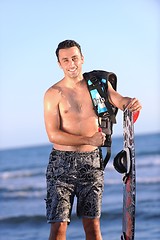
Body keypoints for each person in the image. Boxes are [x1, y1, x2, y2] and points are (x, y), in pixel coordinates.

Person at [44, 39, 142, 240]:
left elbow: (118, 100)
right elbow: (53, 134)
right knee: (59, 227)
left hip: (92, 162)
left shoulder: (97, 85)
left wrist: (130, 103)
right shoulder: (53, 94)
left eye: (74, 58)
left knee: (92, 226)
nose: (71, 64)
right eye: (66, 60)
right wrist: (88, 138)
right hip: (61, 165)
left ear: (82, 58)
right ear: (59, 64)